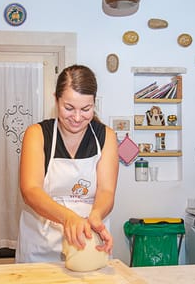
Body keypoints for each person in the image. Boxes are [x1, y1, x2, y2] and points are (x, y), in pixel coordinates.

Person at [16, 64, 119, 263]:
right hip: (41, 243)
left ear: (94, 103)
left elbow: (106, 190)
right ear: (56, 99)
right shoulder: (37, 134)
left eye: (86, 109)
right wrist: (68, 218)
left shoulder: (106, 136)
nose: (77, 118)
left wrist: (96, 216)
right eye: (69, 108)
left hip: (88, 241)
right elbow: (30, 190)